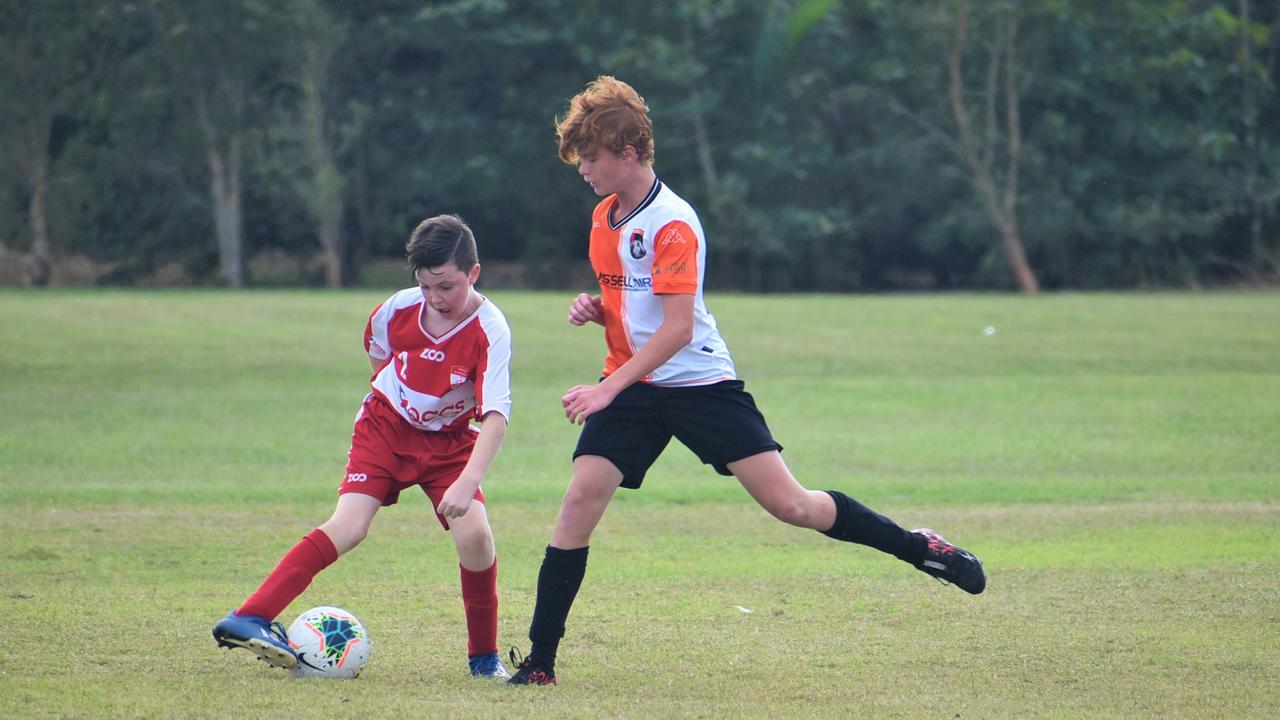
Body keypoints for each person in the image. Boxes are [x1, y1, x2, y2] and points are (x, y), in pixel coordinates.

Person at [507, 77, 985, 686]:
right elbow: (641, 307)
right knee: (578, 501)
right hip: (635, 387)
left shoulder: (674, 223)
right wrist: (601, 311)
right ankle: (541, 664)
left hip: (700, 385)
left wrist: (605, 388)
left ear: (628, 153)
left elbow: (678, 330)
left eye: (591, 156)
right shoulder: (604, 216)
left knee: (794, 506)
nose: (582, 168)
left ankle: (920, 547)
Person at [213, 214, 514, 680]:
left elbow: (496, 415)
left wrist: (468, 480)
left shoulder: (490, 329)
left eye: (447, 287)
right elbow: (377, 352)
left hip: (451, 445)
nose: (435, 298)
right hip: (385, 428)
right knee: (349, 526)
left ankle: (484, 660)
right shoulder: (397, 309)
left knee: (475, 537)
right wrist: (398, 399)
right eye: (426, 286)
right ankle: (249, 616)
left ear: (473, 273)